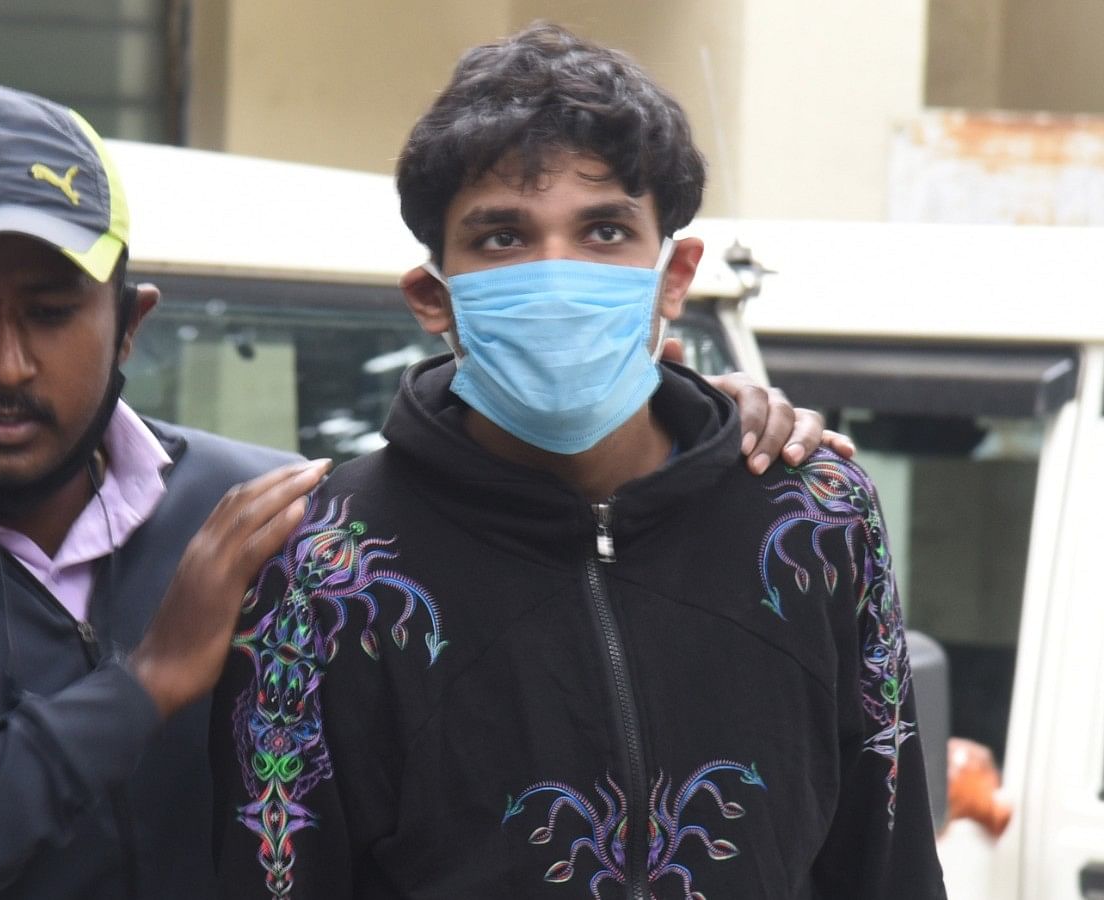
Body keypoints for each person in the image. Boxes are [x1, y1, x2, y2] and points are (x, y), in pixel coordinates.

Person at [0, 81, 840, 898]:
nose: (5, 364)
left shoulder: (282, 523)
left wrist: (687, 439)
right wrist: (143, 688)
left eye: (50, 311)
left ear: (131, 320)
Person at [211, 24, 946, 900]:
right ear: (431, 296)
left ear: (674, 275)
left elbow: (885, 858)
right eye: (502, 239)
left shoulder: (814, 516)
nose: (557, 276)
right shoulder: (326, 562)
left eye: (603, 232)